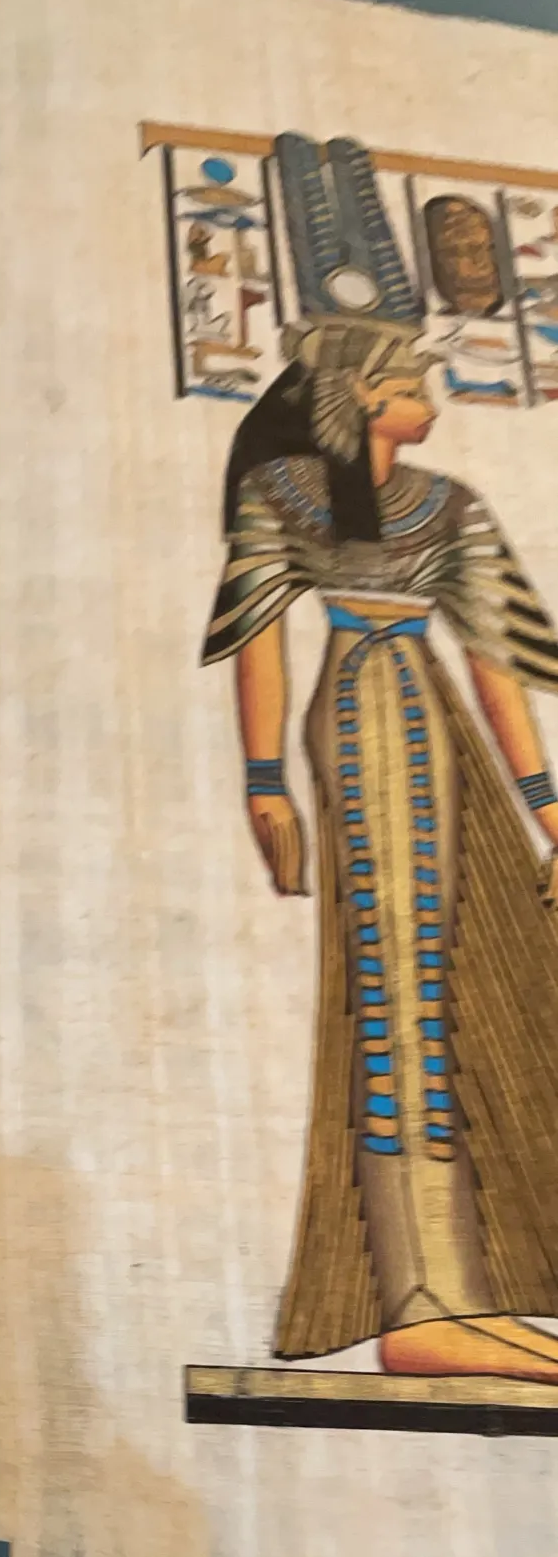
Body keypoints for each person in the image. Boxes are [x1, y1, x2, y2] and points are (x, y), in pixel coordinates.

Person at [204, 310, 558, 1380]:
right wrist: (262, 782)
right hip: (363, 720)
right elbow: (257, 637)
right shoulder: (282, 494)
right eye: (411, 384)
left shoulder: (448, 504)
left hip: (431, 719)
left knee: (455, 983)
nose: (428, 401)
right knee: (395, 987)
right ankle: (418, 1303)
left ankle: (461, 1291)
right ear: (362, 395)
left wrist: (546, 807)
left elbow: (495, 662)